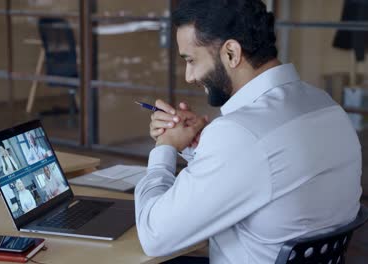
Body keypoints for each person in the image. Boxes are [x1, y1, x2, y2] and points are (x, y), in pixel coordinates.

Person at [134, 1, 362, 264]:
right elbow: (267, 175)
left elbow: (154, 235)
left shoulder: (240, 134)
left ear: (231, 52)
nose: (189, 76)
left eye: (192, 60)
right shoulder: (327, 106)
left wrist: (164, 147)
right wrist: (198, 146)